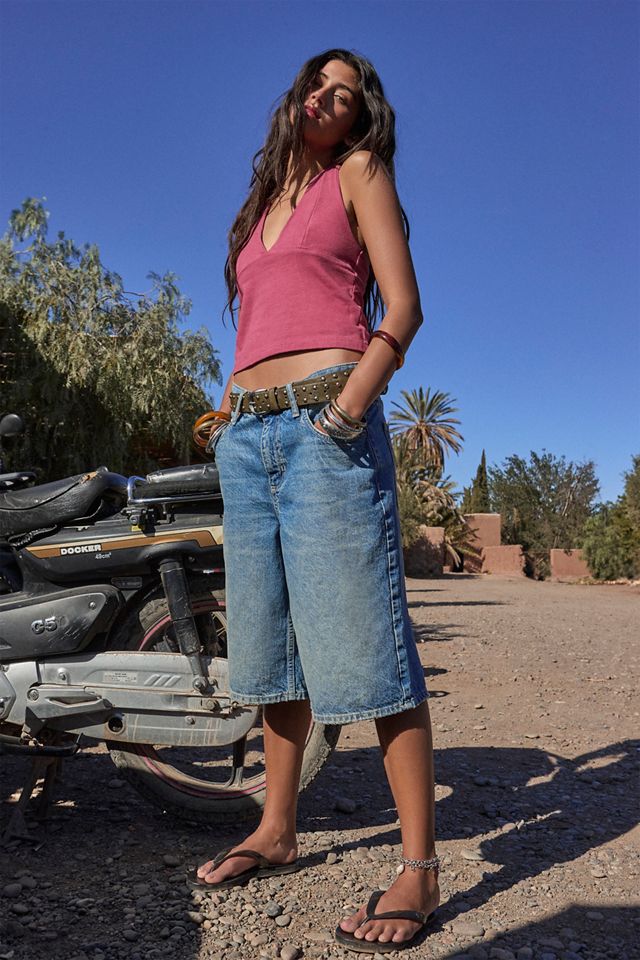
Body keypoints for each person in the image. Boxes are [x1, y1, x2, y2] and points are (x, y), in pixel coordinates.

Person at [189, 48, 440, 953]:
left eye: (346, 94)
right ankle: (277, 827)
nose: (327, 100)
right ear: (295, 96)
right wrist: (225, 413)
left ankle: (418, 867)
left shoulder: (359, 172)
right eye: (317, 85)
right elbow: (256, 326)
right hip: (249, 437)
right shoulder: (261, 207)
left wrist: (350, 405)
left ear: (359, 114)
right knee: (272, 646)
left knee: (369, 642)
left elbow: (403, 307)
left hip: (325, 425)